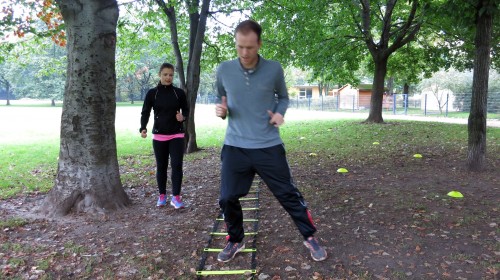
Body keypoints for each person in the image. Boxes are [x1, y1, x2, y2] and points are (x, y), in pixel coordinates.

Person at [214, 20, 327, 262]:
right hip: (235, 145)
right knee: (227, 197)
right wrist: (222, 110)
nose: (245, 53)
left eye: (250, 47)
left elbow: (283, 97)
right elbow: (220, 96)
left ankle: (309, 236)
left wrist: (279, 113)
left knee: (288, 194)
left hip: (268, 146)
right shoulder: (223, 69)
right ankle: (235, 240)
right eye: (240, 47)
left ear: (259, 44)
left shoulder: (274, 69)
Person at [140, 62, 189, 209]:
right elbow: (146, 111)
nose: (168, 77)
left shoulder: (178, 93)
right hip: (159, 136)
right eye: (165, 74)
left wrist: (183, 117)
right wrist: (143, 127)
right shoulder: (152, 93)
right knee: (161, 167)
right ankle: (162, 195)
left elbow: (186, 110)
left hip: (176, 135)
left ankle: (176, 197)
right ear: (159, 75)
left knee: (177, 166)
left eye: (171, 75)